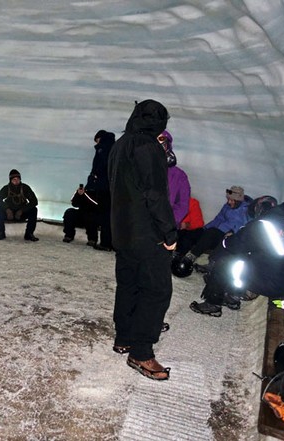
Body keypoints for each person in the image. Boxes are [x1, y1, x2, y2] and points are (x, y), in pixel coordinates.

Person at [108, 99, 177, 381]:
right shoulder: (148, 147)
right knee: (156, 290)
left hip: (122, 231)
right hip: (147, 234)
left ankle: (124, 336)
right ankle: (141, 351)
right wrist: (169, 232)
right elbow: (155, 194)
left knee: (129, 284)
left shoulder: (120, 145)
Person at [189, 208, 284, 317]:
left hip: (268, 281)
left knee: (225, 264)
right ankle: (231, 298)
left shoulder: (260, 225)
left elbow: (236, 245)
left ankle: (213, 304)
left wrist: (226, 239)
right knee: (242, 262)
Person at [174, 185, 250, 269]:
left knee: (211, 233)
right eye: (228, 199)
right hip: (216, 231)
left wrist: (233, 231)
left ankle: (191, 256)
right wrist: (204, 228)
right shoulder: (227, 206)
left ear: (238, 200)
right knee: (195, 232)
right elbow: (218, 219)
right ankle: (178, 254)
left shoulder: (246, 210)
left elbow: (245, 226)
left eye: (232, 200)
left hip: (227, 236)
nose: (229, 202)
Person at [87, 130, 116, 251]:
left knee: (104, 215)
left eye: (97, 140)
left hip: (104, 187)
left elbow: (99, 168)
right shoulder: (115, 148)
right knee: (111, 216)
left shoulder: (102, 149)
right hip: (113, 188)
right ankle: (112, 242)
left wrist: (93, 180)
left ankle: (105, 242)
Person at [0, 169, 39, 241]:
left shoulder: (25, 188)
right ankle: (1, 233)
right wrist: (7, 209)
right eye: (14, 179)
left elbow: (34, 201)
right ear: (10, 180)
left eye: (18, 179)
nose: (16, 181)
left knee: (34, 210)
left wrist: (22, 210)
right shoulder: (6, 188)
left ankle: (29, 234)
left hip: (21, 214)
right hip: (9, 214)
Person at [158, 130, 190, 228]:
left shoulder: (179, 175)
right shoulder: (136, 169)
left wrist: (168, 222)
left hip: (164, 229)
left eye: (162, 143)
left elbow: (182, 205)